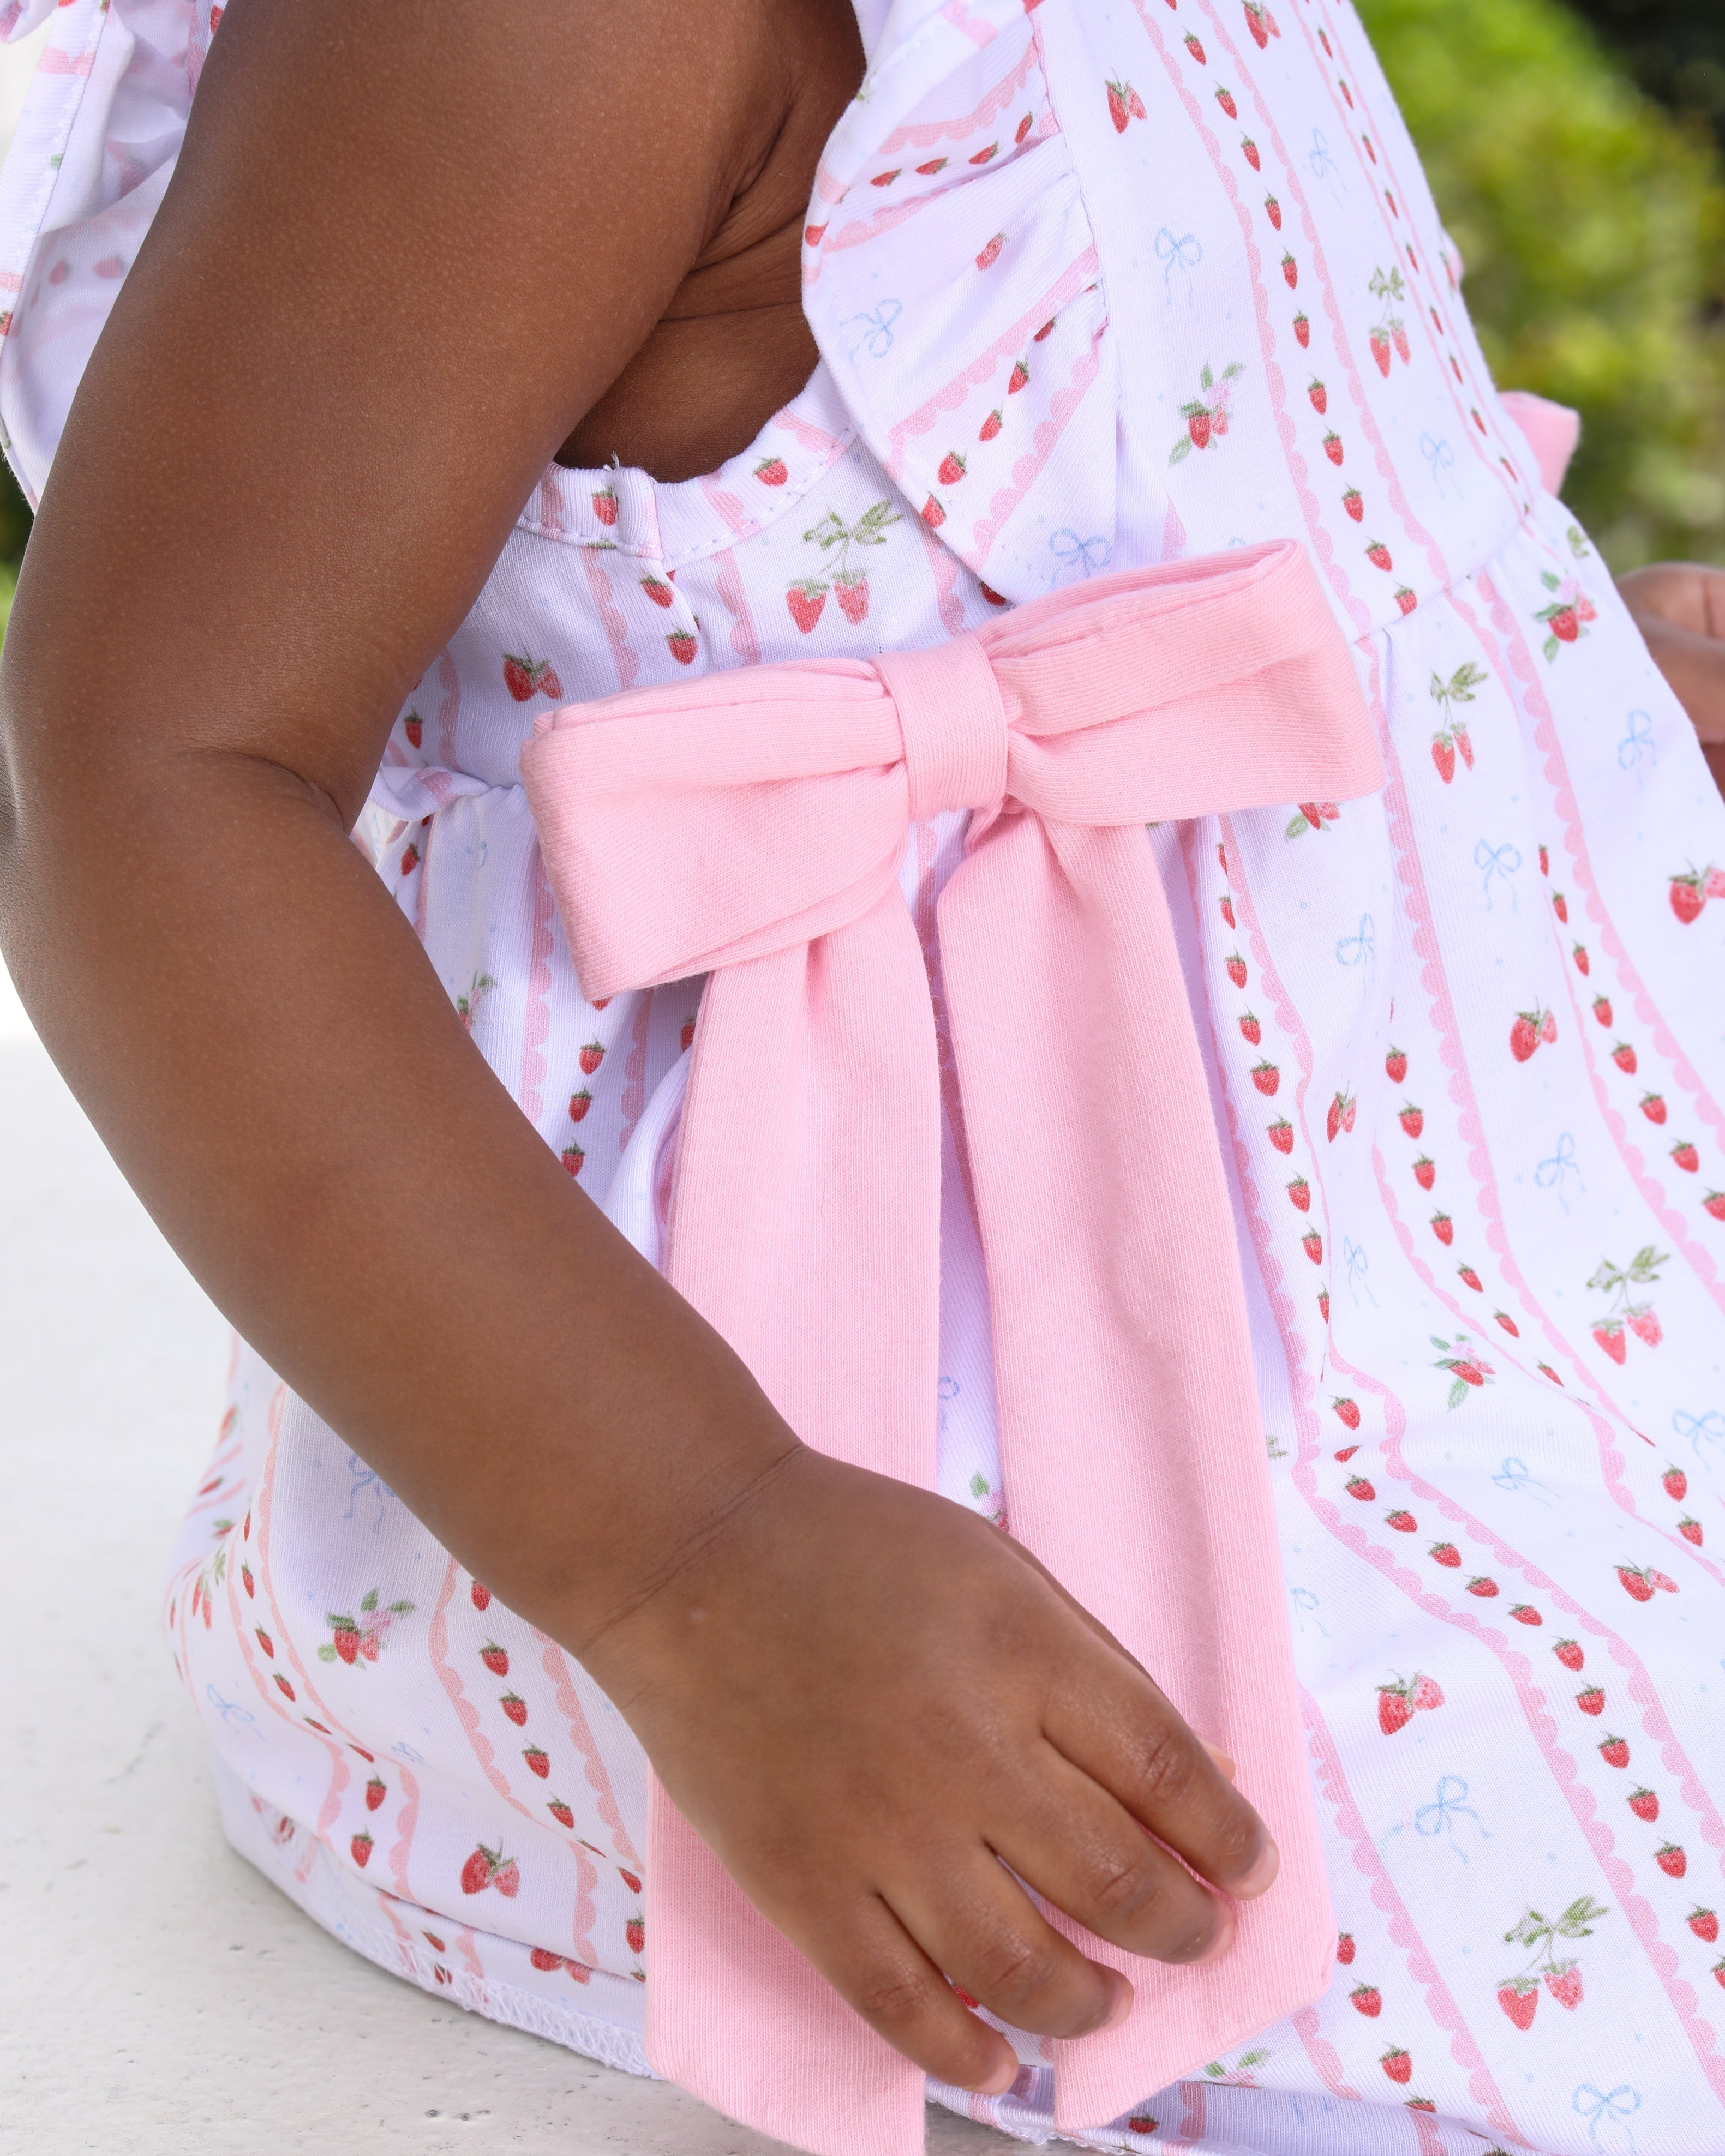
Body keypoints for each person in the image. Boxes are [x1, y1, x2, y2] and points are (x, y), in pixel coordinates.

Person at [1, 1, 1722, 2151]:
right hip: (921, 1436)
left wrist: (1502, 680)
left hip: (1453, 1140)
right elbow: (144, 777)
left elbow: (1081, 481)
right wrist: (696, 1556)